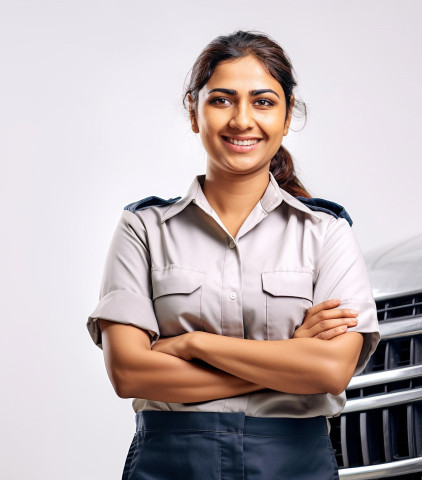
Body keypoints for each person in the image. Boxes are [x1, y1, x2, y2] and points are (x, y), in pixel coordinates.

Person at [87, 30, 379, 480]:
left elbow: (331, 370)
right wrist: (288, 358)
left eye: (263, 102)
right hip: (168, 463)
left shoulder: (326, 233)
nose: (242, 120)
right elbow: (129, 373)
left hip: (293, 462)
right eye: (222, 100)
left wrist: (193, 344)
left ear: (286, 118)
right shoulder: (143, 229)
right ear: (193, 112)